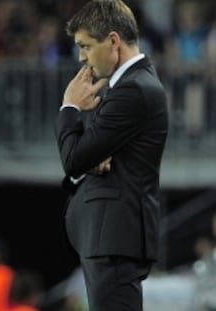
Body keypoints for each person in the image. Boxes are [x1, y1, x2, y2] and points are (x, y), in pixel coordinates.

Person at [53, 1, 169, 310]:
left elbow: (74, 159)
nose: (81, 57)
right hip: (106, 237)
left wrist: (69, 108)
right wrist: (88, 156)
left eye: (85, 46)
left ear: (113, 41)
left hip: (114, 239)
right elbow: (85, 160)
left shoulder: (134, 89)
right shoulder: (123, 89)